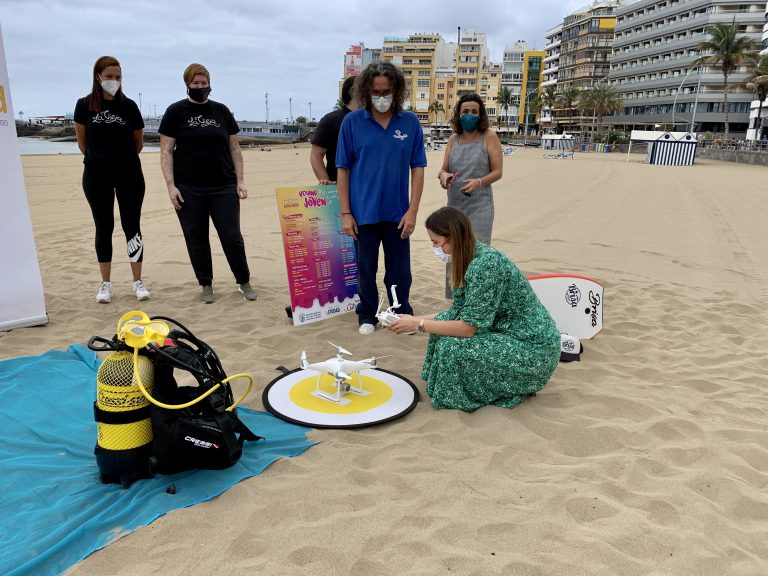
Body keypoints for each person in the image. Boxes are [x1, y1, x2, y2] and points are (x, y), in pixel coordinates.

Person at [389, 207, 560, 412]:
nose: (434, 247)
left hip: (532, 347)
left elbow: (468, 328)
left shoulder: (486, 265)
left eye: (435, 242)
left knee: (451, 348)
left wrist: (419, 324)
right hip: (507, 333)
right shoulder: (468, 259)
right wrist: (411, 319)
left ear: (451, 238)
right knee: (441, 333)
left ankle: (470, 395)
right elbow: (459, 312)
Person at [336, 61, 427, 335]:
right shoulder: (352, 122)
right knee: (365, 268)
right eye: (375, 91)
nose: (381, 97)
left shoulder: (410, 122)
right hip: (362, 213)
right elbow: (343, 169)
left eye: (386, 91)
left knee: (399, 271)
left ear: (396, 90)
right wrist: (346, 213)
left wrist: (412, 211)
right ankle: (367, 315)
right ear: (366, 91)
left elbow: (418, 169)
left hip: (398, 213)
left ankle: (400, 313)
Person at [159, 63, 255, 304]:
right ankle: (206, 284)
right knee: (196, 236)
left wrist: (240, 181)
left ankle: (243, 281)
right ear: (187, 85)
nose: (200, 87)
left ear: (209, 84)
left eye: (204, 83)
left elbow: (234, 148)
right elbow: (166, 152)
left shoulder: (221, 111)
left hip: (223, 185)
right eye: (195, 83)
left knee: (231, 235)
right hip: (189, 188)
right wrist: (171, 186)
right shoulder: (175, 112)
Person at [74, 55, 149, 303]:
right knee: (103, 226)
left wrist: (121, 159)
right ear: (98, 77)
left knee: (132, 226)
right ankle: (105, 284)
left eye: (117, 77)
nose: (113, 81)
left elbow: (138, 142)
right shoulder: (84, 106)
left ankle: (137, 281)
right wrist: (101, 159)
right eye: (109, 77)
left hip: (128, 172)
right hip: (96, 174)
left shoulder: (129, 107)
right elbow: (83, 144)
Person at [437, 93, 503, 298]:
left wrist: (479, 182)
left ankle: (478, 299)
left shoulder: (489, 136)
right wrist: (444, 176)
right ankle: (456, 299)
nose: (470, 115)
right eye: (465, 111)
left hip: (480, 206)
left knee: (478, 253)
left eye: (474, 112)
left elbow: (498, 171)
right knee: (454, 252)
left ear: (481, 114)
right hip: (455, 206)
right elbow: (442, 170)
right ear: (458, 114)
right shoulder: (452, 140)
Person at [310, 76, 356, 184]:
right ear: (354, 91)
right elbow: (316, 154)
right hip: (336, 186)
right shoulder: (331, 120)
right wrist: (325, 181)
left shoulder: (370, 120)